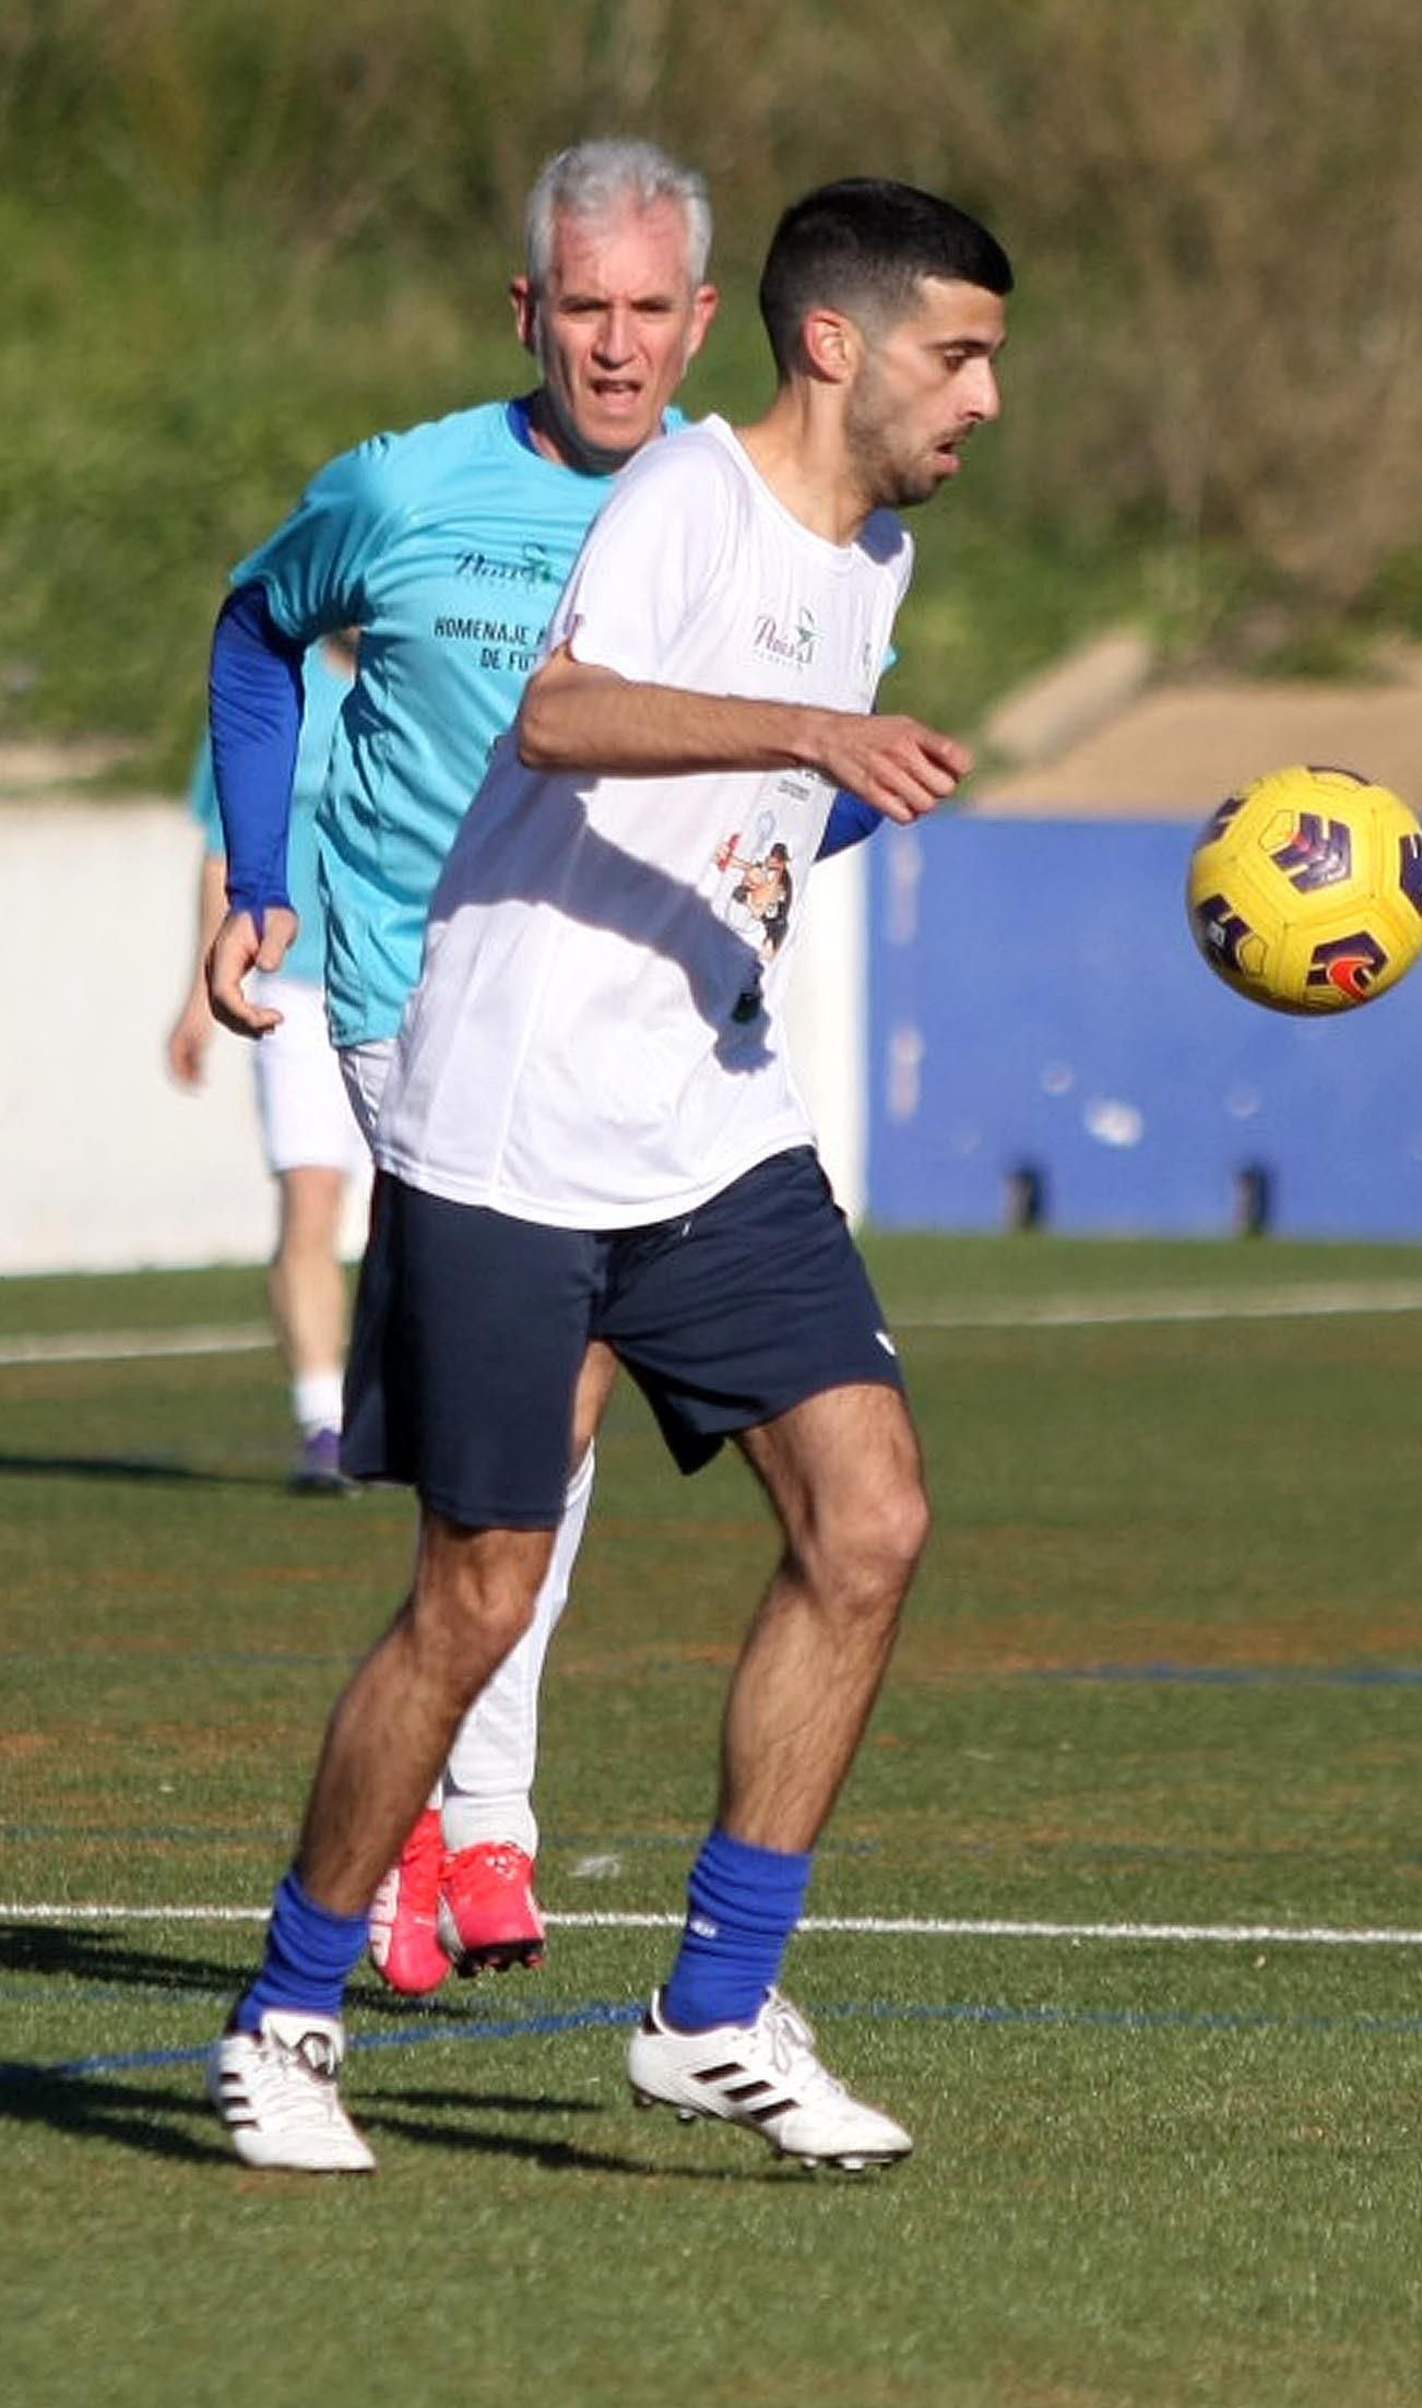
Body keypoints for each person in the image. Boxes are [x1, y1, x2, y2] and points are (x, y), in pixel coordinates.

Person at [205, 175, 1011, 2175]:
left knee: (873, 1513)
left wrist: (819, 789)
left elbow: (742, 809)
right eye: (960, 352)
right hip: (508, 1120)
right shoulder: (689, 501)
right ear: (832, 342)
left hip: (705, 1120)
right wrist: (816, 733)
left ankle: (716, 2008)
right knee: (475, 1595)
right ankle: (288, 2007)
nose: (984, 397)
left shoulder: (875, 554)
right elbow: (561, 716)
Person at [201, 138, 730, 1998]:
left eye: (645, 309)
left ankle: (447, 1794)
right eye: (580, 306)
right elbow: (257, 636)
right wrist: (261, 886)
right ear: (529, 310)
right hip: (411, 1006)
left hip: (617, 1008)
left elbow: (795, 773)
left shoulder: (734, 517)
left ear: (702, 320)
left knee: (544, 1413)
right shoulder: (402, 486)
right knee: (537, 1412)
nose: (612, 344)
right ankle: (478, 1807)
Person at [166, 635, 368, 1493]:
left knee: (422, 1207)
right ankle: (325, 1420)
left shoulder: (440, 670)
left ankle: (419, 1408)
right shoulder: (269, 690)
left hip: (415, 980)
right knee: (310, 1192)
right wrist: (195, 994)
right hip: (295, 987)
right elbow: (221, 852)